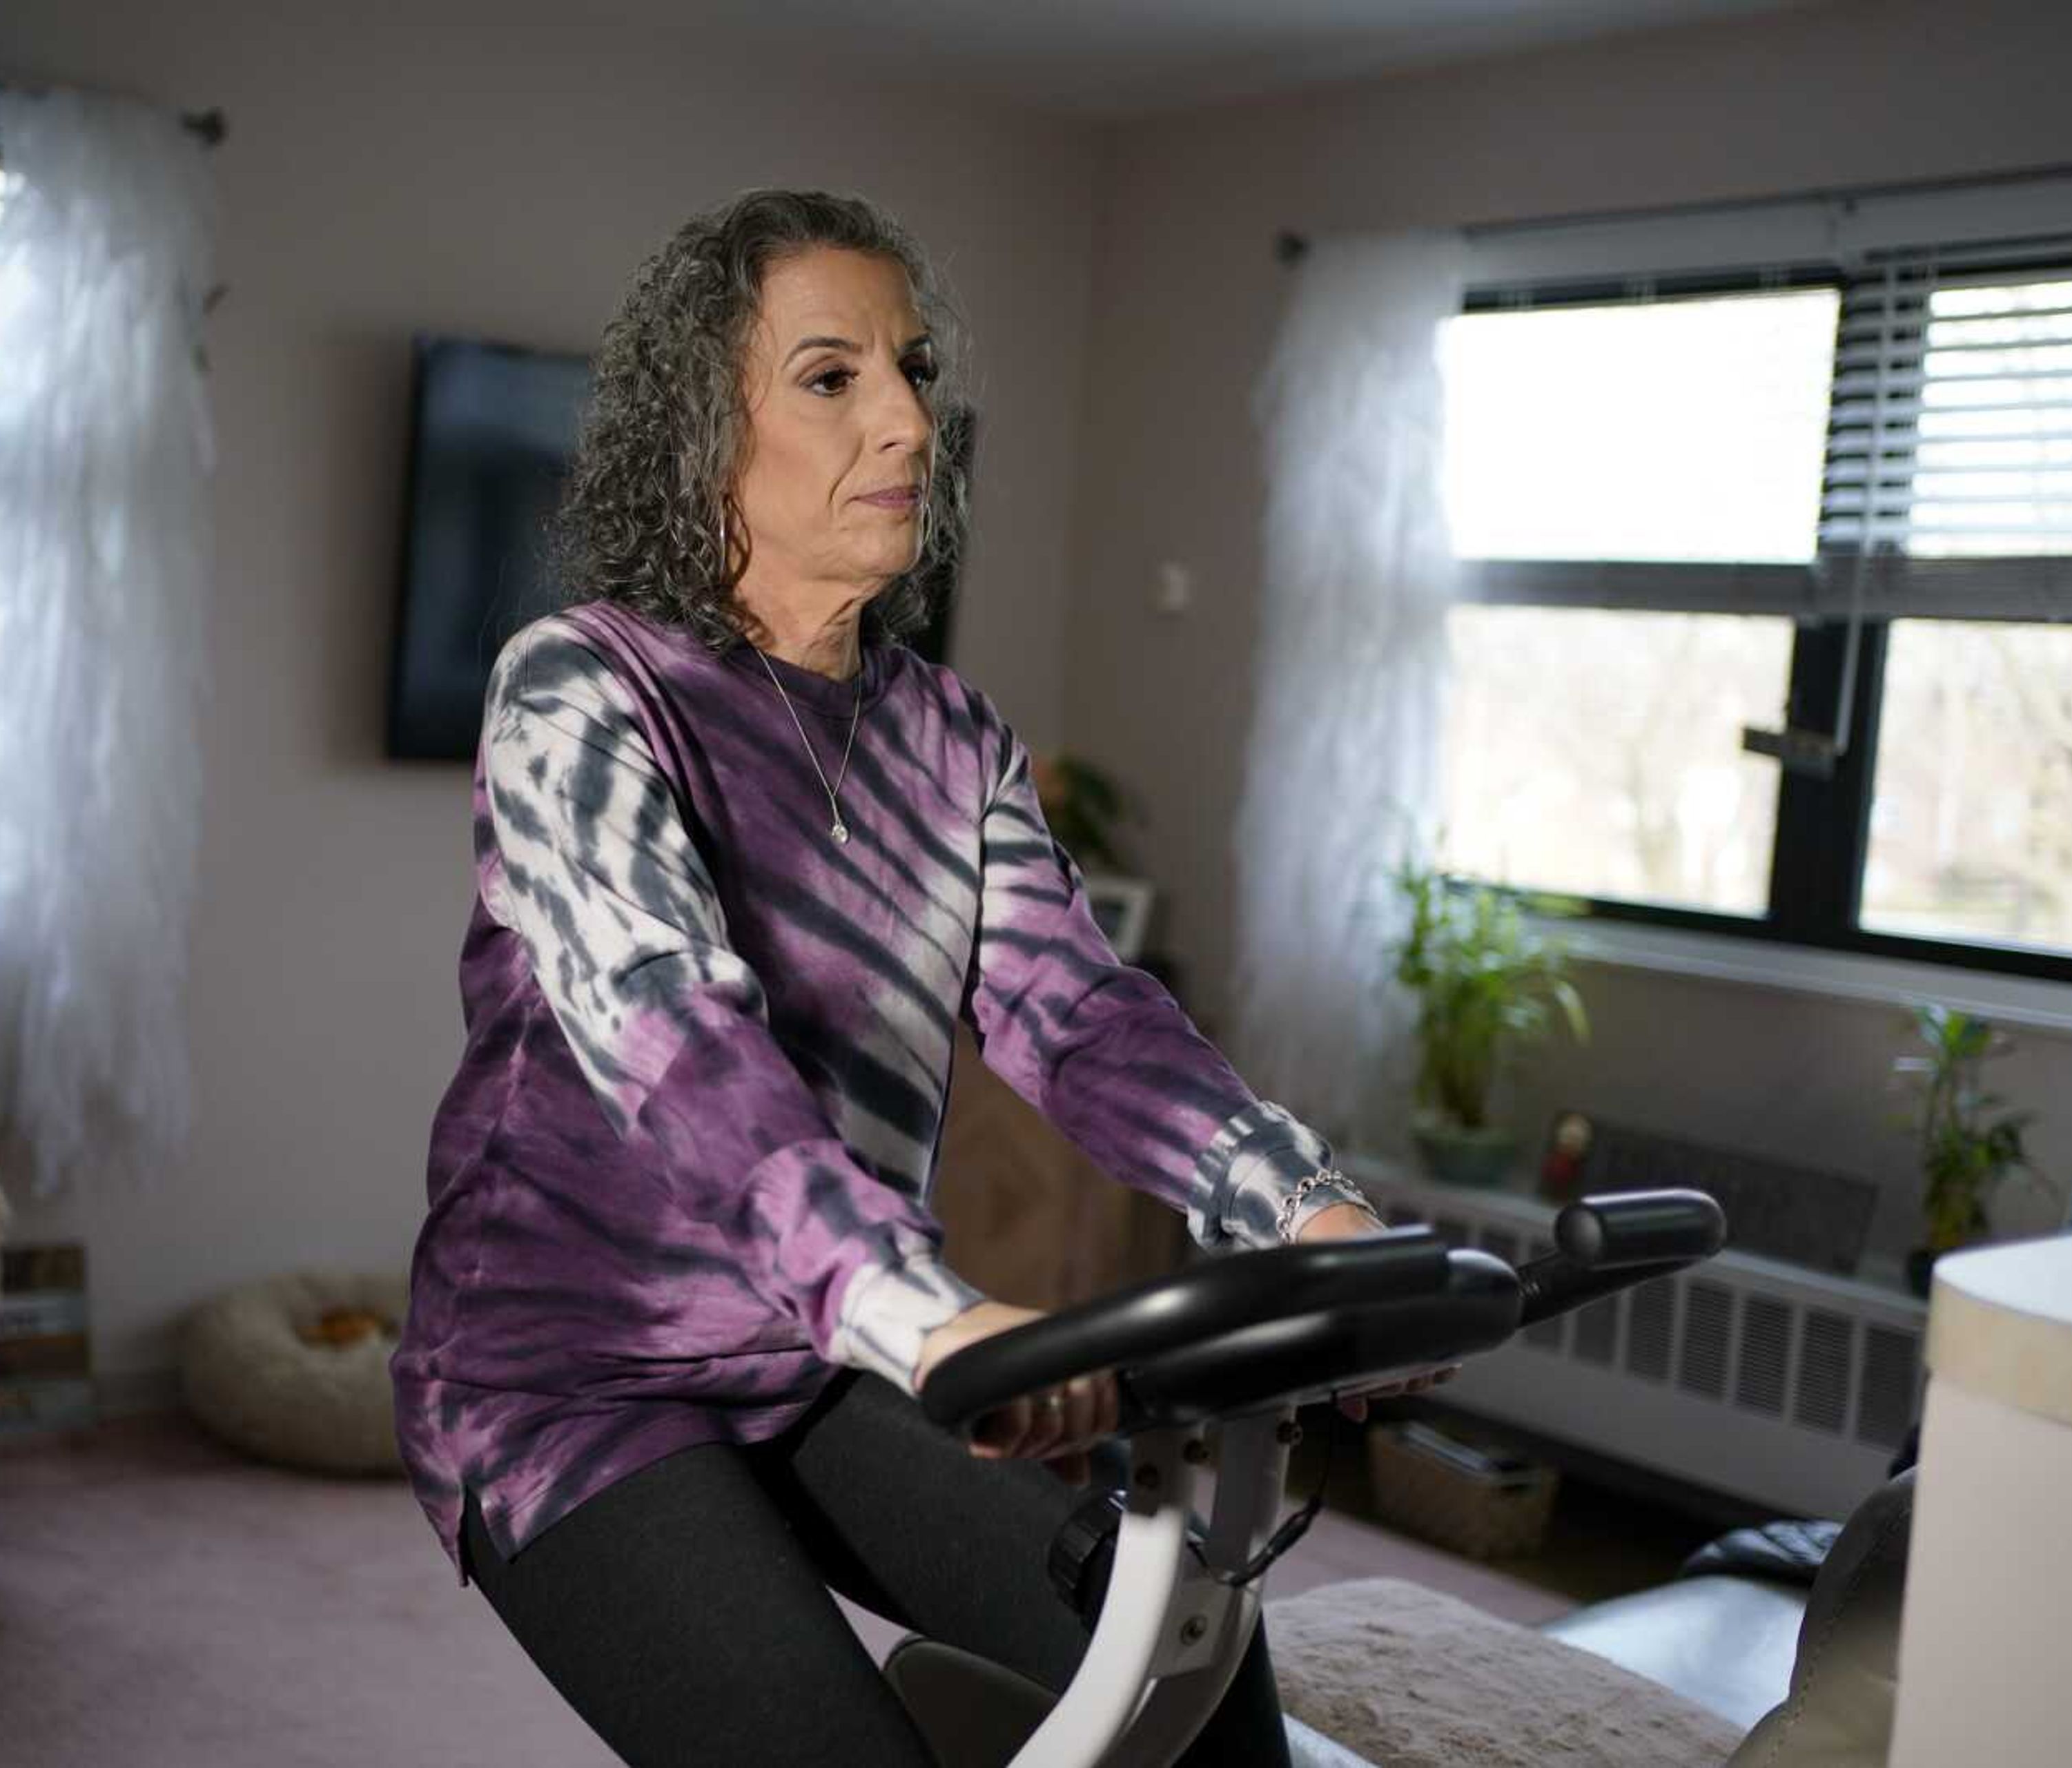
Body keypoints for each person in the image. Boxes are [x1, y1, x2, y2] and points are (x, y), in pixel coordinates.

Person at [390, 188, 1421, 1768]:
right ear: (701, 428)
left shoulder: (952, 736)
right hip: (567, 1384)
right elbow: (677, 1042)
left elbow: (1076, 1015)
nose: (908, 419)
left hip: (810, 1358)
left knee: (1186, 1668)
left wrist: (1311, 1213)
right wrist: (922, 1315)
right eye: (831, 377)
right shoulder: (580, 690)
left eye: (915, 370)